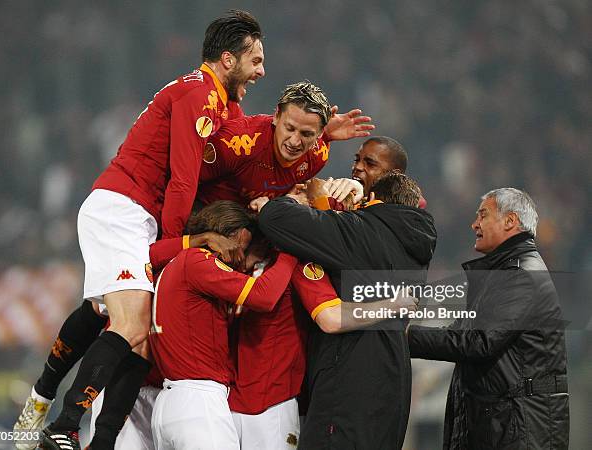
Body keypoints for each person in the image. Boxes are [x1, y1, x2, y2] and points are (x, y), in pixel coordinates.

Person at [33, 10, 265, 450]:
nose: (261, 70)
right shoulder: (198, 96)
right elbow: (183, 180)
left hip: (133, 214)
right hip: (123, 208)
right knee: (130, 322)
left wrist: (321, 138)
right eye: (255, 59)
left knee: (137, 341)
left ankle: (88, 434)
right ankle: (61, 423)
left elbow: (249, 134)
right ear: (228, 60)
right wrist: (173, 249)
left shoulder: (216, 99)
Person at [256, 171, 437, 450]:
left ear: (373, 199)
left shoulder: (362, 231)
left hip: (350, 375)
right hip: (393, 378)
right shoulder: (415, 244)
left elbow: (275, 217)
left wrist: (301, 198)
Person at [407, 188, 569, 450]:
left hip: (519, 427)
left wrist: (407, 336)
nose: (474, 224)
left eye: (483, 215)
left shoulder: (521, 275)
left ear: (510, 221)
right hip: (503, 421)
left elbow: (479, 341)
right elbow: (463, 331)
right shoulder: (503, 273)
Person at [148, 201, 298, 450]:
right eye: (247, 247)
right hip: (198, 403)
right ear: (235, 236)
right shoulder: (198, 261)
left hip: (172, 402)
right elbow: (264, 296)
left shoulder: (177, 264)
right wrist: (291, 250)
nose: (244, 261)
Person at [196, 80, 371, 207]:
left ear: (319, 133)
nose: (295, 141)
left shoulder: (317, 156)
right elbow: (186, 182)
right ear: (277, 116)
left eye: (306, 133)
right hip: (206, 219)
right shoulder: (236, 142)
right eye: (289, 128)